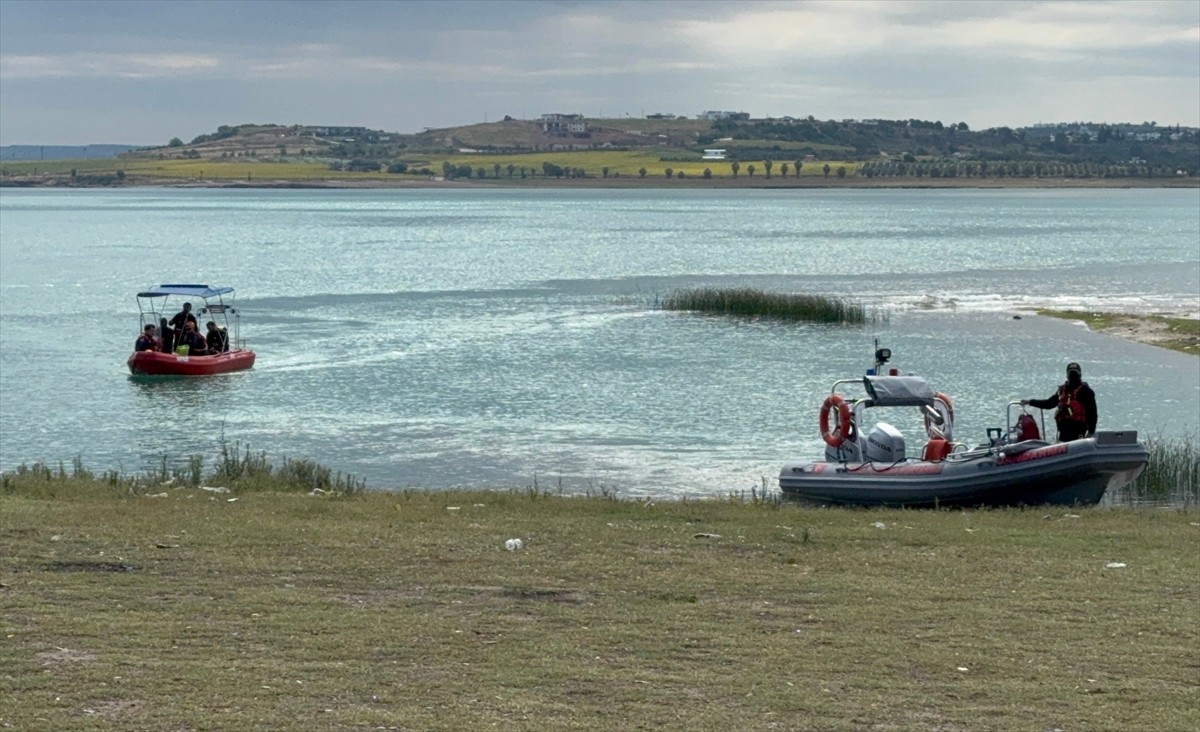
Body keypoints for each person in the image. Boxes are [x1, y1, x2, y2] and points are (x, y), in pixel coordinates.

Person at [1021, 361, 1097, 442]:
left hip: (1078, 433)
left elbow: (1092, 414)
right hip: (1064, 433)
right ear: (1067, 375)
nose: (1073, 375)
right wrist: (1030, 402)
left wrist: (1091, 432)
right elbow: (1049, 403)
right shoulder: (1062, 390)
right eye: (1071, 373)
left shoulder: (1086, 392)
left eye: (1075, 373)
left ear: (1080, 374)